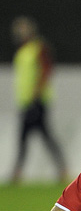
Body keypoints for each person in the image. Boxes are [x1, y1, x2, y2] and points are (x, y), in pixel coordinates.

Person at [9, 16, 68, 184]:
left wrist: (37, 91)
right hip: (26, 101)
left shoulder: (38, 47)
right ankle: (60, 169)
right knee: (33, 136)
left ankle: (18, 172)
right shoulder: (23, 51)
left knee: (35, 136)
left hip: (37, 101)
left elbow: (46, 69)